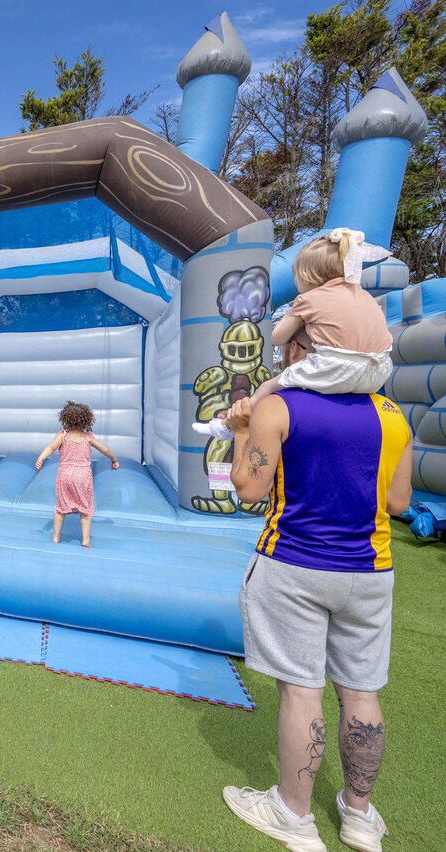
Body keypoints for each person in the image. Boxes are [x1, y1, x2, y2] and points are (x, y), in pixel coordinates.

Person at [221, 328, 411, 852]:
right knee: (361, 690)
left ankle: (294, 814)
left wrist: (241, 429)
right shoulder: (392, 415)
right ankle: (358, 815)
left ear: (303, 350)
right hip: (370, 571)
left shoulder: (279, 406)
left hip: (294, 564)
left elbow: (249, 488)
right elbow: (398, 501)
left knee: (302, 690)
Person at [195, 228, 393, 441]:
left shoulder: (311, 298)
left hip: (337, 369)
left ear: (306, 275)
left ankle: (226, 427)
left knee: (267, 386)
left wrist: (296, 312)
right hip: (379, 371)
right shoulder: (366, 298)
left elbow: (277, 338)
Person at [34, 401, 118, 547]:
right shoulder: (88, 437)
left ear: (65, 419)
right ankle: (85, 541)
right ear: (86, 420)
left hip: (65, 474)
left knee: (60, 509)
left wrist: (41, 459)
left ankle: (56, 538)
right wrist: (114, 460)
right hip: (82, 475)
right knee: (85, 511)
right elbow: (105, 450)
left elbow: (51, 448)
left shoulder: (62, 436)